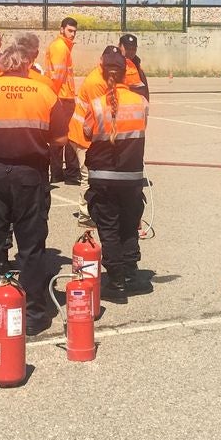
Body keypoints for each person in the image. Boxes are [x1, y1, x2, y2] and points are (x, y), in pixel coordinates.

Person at [0, 34, 70, 336]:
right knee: (31, 248)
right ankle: (34, 315)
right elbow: (60, 139)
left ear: (2, 66)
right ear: (27, 65)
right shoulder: (44, 92)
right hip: (30, 176)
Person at [81, 46, 151, 298]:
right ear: (125, 73)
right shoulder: (141, 103)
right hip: (131, 177)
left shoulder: (97, 105)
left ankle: (117, 281)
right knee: (129, 226)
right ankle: (131, 274)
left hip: (103, 177)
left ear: (103, 71)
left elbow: (86, 133)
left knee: (108, 228)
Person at [43, 17, 80, 183]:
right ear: (61, 29)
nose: (72, 34)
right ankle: (70, 173)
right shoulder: (61, 48)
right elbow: (57, 76)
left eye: (74, 31)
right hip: (62, 98)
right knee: (69, 136)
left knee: (59, 135)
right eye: (70, 31)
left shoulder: (62, 47)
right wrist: (54, 98)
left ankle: (58, 173)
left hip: (63, 96)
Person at [118, 33, 150, 100]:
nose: (130, 52)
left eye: (133, 49)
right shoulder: (114, 65)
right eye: (127, 49)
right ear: (119, 46)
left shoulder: (136, 64)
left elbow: (144, 88)